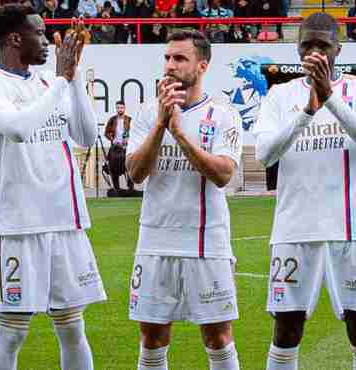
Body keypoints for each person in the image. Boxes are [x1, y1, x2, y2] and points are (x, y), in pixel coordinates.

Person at [250, 13, 356, 370]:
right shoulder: (280, 95)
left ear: (338, 49)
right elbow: (265, 154)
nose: (315, 52)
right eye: (307, 45)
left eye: (323, 45)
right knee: (286, 330)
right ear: (297, 48)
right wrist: (306, 112)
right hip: (295, 229)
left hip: (353, 229)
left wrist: (330, 98)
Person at [0, 5, 104, 369]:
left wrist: (71, 79)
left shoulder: (48, 82)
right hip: (19, 223)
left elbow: (87, 135)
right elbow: (18, 128)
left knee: (73, 327)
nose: (47, 42)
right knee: (13, 330)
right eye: (39, 34)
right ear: (14, 38)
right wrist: (61, 80)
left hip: (65, 220)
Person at [122, 29, 246, 370]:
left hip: (207, 243)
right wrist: (162, 125)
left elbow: (223, 174)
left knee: (218, 337)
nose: (170, 65)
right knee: (152, 339)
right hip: (155, 241)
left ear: (201, 66)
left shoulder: (223, 113)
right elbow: (135, 173)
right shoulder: (149, 113)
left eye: (180, 58)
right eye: (167, 57)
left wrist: (180, 133)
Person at [103, 101, 134, 196]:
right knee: (113, 168)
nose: (119, 109)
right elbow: (106, 132)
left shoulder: (129, 120)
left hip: (126, 147)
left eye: (121, 108)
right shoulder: (112, 120)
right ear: (116, 109)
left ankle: (131, 189)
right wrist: (112, 139)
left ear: (124, 108)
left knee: (129, 167)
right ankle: (117, 189)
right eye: (118, 108)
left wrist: (128, 139)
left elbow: (134, 132)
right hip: (115, 147)